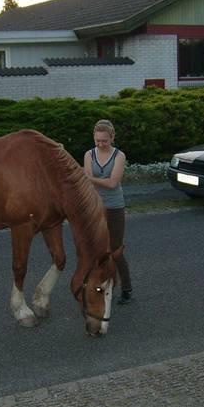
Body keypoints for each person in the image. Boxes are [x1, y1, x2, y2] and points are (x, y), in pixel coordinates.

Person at [83, 119, 133, 305]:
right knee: (95, 250)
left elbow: (113, 184)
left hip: (114, 207)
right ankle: (99, 286)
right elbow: (89, 181)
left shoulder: (119, 156)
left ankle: (126, 288)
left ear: (112, 137)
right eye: (97, 140)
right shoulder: (89, 154)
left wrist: (92, 178)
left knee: (115, 250)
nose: (101, 144)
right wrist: (92, 179)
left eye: (104, 140)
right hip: (94, 207)